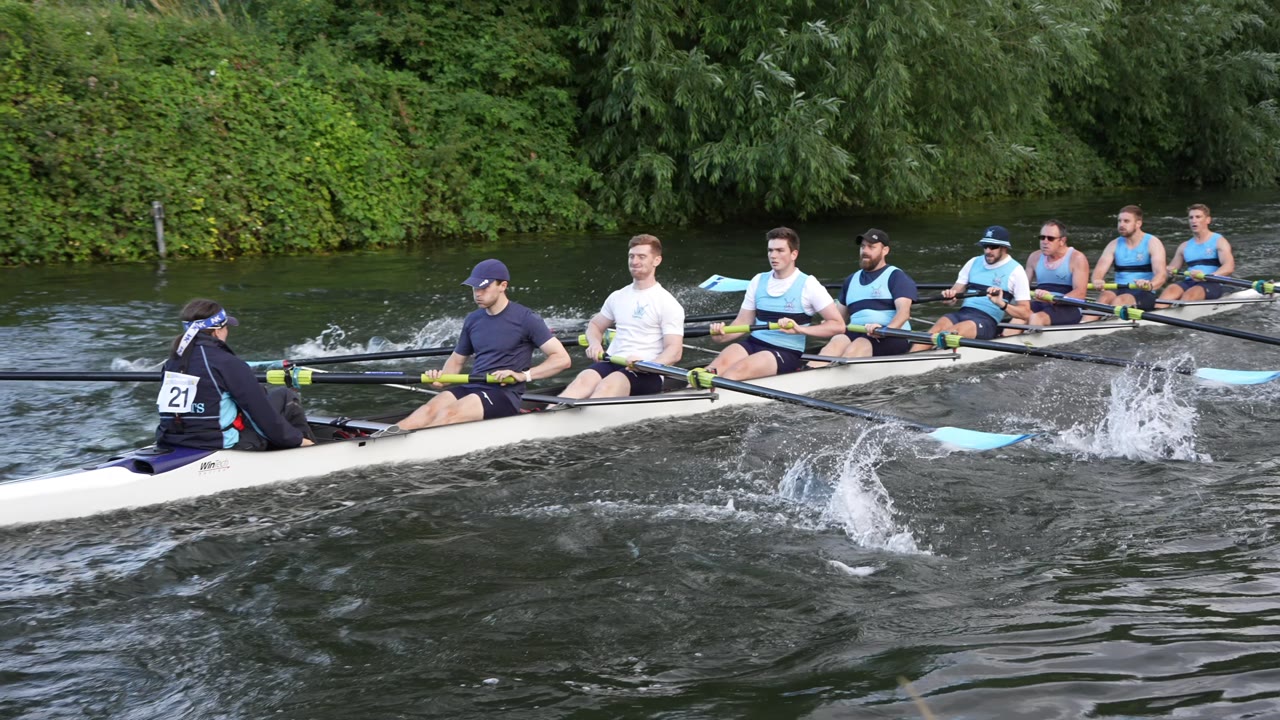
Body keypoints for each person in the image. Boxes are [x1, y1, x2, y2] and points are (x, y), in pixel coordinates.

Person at [395, 259, 571, 430]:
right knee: (427, 411)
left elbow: (562, 359)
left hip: (503, 394)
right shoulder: (473, 319)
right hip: (474, 385)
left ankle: (420, 443)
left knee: (448, 414)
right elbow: (456, 360)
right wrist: (440, 380)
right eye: (474, 288)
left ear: (503, 286)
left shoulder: (526, 318)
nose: (477, 293)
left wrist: (523, 375)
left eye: (484, 287)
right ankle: (388, 439)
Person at [156, 299, 315, 451]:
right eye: (226, 327)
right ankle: (309, 449)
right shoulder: (226, 362)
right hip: (218, 445)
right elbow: (261, 413)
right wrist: (296, 439)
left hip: (170, 440)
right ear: (217, 331)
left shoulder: (172, 361)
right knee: (285, 396)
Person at [706, 227, 845, 380]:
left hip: (786, 351)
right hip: (753, 343)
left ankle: (719, 390)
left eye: (780, 250)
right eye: (770, 250)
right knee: (710, 371)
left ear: (794, 254)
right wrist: (720, 336)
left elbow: (838, 325)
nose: (773, 255)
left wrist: (800, 330)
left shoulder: (809, 285)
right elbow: (743, 321)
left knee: (737, 371)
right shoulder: (758, 280)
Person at [559, 235, 685, 398]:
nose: (634, 261)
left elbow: (674, 351)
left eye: (641, 257)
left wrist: (648, 365)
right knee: (583, 380)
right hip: (613, 361)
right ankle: (553, 411)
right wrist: (595, 344)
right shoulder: (617, 296)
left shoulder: (667, 303)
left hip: (646, 371)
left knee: (609, 384)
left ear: (656, 260)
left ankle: (586, 413)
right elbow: (595, 326)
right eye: (631, 256)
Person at [807, 228, 917, 367]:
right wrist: (827, 322)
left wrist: (885, 331)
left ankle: (837, 374)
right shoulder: (850, 280)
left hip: (891, 335)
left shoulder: (896, 276)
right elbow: (839, 320)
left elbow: (903, 313)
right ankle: (809, 371)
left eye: (871, 247)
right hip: (857, 332)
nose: (865, 251)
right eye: (863, 246)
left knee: (859, 344)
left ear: (885, 250)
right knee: (837, 341)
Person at [912, 226, 1031, 348]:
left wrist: (1001, 304)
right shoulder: (973, 262)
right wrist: (949, 297)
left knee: (951, 334)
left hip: (986, 321)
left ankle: (937, 351)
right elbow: (951, 297)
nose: (988, 251)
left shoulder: (1016, 271)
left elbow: (1026, 314)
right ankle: (911, 356)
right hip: (963, 313)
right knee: (931, 333)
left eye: (993, 247)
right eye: (985, 246)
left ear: (1004, 247)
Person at [1007, 220, 1091, 331]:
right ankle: (1005, 338)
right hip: (1040, 303)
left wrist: (1053, 299)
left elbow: (1080, 293)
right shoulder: (1034, 257)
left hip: (1068, 306)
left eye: (1050, 238)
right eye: (1042, 238)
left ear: (1062, 241)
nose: (1045, 242)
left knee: (1037, 318)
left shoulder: (1077, 258)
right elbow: (1022, 287)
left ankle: (1029, 339)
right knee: (1018, 318)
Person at [1088, 204, 1167, 316]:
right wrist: (1097, 280)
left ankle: (1108, 322)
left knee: (1120, 300)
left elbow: (1161, 275)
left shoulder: (1153, 243)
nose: (1121, 225)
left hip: (1143, 292)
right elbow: (1098, 271)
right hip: (1119, 288)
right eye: (1119, 221)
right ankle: (1085, 323)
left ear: (1138, 223)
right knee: (1104, 297)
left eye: (1126, 221)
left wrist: (1150, 285)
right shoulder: (1113, 244)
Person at [1157, 203, 1236, 305]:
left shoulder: (1219, 241)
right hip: (1190, 281)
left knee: (1191, 294)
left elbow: (1229, 267)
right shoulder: (1184, 246)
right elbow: (1170, 273)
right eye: (1191, 217)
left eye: (1198, 217)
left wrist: (1207, 276)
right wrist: (1168, 272)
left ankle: (1181, 309)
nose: (1194, 220)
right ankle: (1158, 310)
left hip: (1213, 282)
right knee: (1170, 290)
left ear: (1208, 220)